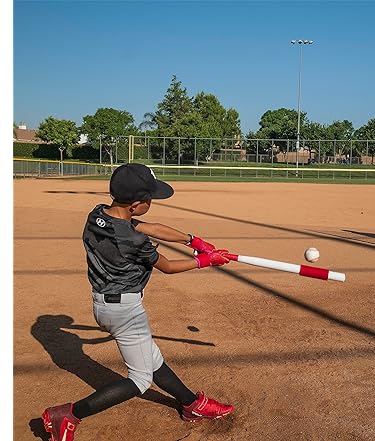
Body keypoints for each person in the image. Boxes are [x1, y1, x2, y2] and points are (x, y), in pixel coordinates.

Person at [42, 163, 234, 441]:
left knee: (151, 359)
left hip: (105, 304)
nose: (151, 202)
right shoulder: (132, 240)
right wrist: (204, 261)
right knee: (141, 379)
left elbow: (151, 228)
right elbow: (167, 266)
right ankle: (68, 414)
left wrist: (193, 240)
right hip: (125, 310)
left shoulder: (98, 214)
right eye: (150, 199)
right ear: (135, 204)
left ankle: (191, 404)